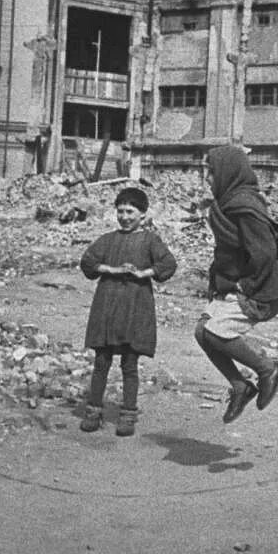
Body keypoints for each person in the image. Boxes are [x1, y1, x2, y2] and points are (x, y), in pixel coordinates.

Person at [194, 144, 278, 423]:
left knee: (216, 332)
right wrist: (218, 280)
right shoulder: (225, 203)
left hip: (258, 289)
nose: (207, 178)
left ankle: (267, 369)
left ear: (226, 172)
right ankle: (239, 385)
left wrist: (246, 286)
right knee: (202, 333)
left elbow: (265, 252)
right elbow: (228, 252)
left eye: (210, 172)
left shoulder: (245, 205)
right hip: (232, 283)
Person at [78, 187, 177, 437]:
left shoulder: (150, 240)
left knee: (129, 364)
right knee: (101, 361)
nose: (124, 216)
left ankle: (128, 414)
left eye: (130, 211)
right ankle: (93, 411)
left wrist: (144, 273)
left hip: (135, 307)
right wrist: (113, 270)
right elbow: (87, 262)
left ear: (143, 215)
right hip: (107, 307)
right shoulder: (108, 239)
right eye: (120, 211)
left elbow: (168, 264)